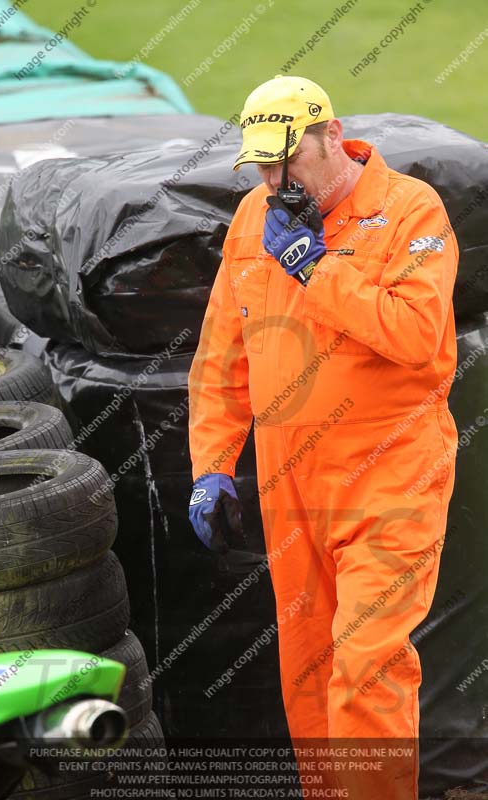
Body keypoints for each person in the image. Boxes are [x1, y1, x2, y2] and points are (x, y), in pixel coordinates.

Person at [187, 74, 459, 799]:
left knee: (365, 666)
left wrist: (314, 266)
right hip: (290, 484)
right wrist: (211, 467)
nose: (275, 181)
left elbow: (414, 334)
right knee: (307, 674)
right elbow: (221, 359)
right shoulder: (254, 217)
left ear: (331, 136)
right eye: (262, 167)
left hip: (390, 476)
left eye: (287, 162)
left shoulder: (409, 211)